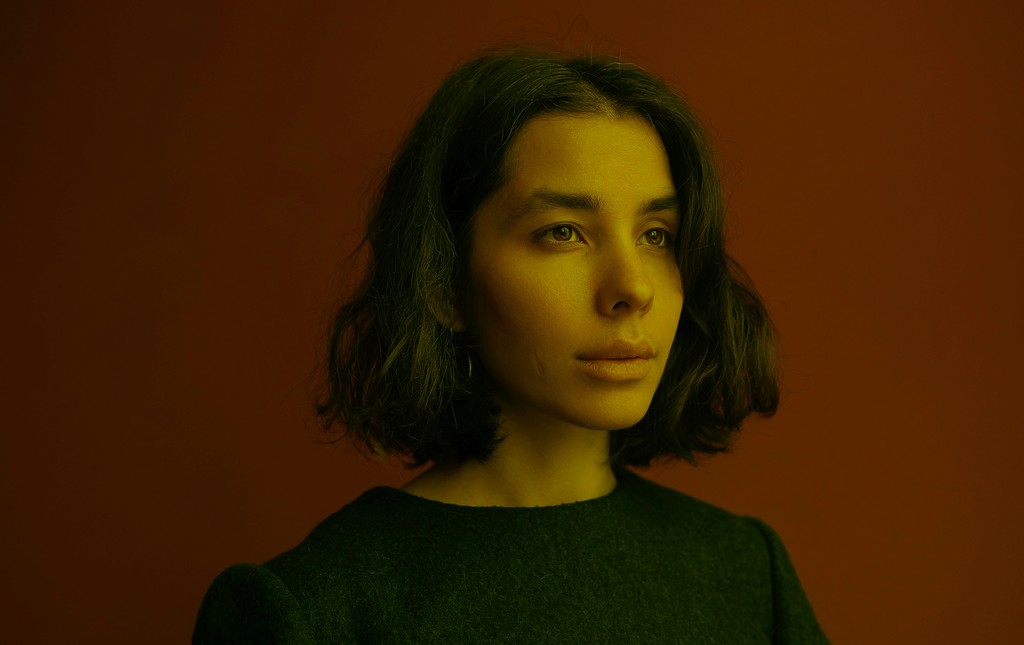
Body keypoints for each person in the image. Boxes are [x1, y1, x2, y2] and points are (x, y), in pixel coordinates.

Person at [193, 45, 829, 643]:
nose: (633, 287)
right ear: (443, 283)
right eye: (562, 232)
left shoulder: (745, 571)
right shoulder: (309, 610)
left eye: (657, 235)